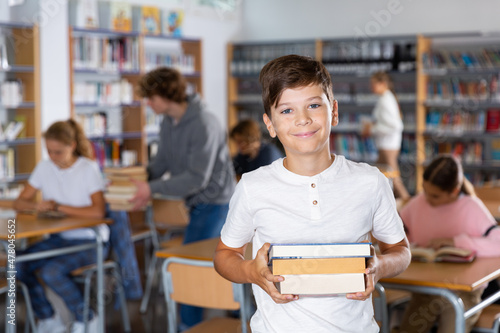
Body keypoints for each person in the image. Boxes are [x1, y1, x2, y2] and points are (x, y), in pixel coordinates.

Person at [213, 54, 411, 332]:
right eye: (286, 111)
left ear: (334, 112)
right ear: (269, 124)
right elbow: (224, 255)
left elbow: (401, 251)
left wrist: (379, 266)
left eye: (314, 105)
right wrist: (251, 272)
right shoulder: (252, 186)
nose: (302, 119)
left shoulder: (370, 181)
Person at [130, 66, 236, 329]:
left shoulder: (204, 123)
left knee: (189, 266)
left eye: (151, 98)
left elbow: (196, 178)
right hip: (191, 201)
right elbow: (162, 160)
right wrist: (137, 182)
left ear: (165, 95)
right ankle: (230, 316)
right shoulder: (167, 121)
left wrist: (151, 189)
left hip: (215, 201)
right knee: (196, 264)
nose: (148, 103)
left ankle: (189, 326)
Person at [14, 119, 109, 333]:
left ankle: (86, 318)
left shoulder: (88, 169)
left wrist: (59, 207)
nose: (53, 157)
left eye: (58, 152)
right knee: (17, 264)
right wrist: (37, 204)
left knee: (51, 272)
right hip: (59, 239)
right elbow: (19, 203)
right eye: (49, 151)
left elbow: (97, 212)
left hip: (91, 241)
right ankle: (48, 318)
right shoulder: (44, 167)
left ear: (72, 146)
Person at [398, 154, 500, 333]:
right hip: (426, 286)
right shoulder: (419, 202)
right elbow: (398, 230)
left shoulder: (471, 207)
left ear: (454, 191)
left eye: (435, 196)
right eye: (424, 190)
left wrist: (456, 242)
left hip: (464, 290)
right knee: (411, 327)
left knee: (452, 325)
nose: (427, 199)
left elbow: (497, 244)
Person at [362, 71, 410, 201]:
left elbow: (395, 126)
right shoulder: (386, 98)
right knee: (380, 174)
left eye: (373, 83)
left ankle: (407, 203)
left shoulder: (385, 100)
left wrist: (372, 129)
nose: (371, 86)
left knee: (393, 176)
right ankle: (382, 202)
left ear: (382, 84)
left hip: (388, 145)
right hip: (385, 145)